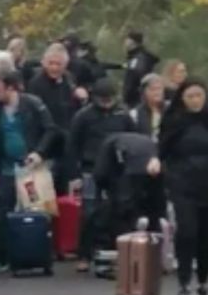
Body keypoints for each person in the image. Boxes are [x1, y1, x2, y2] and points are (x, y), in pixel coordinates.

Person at [0, 70, 58, 275]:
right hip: (5, 166)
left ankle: (41, 255)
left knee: (38, 209)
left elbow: (51, 129)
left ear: (11, 88)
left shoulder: (33, 104)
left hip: (31, 167)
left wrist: (40, 152)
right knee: (2, 210)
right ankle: (0, 257)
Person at [159, 80, 208, 295]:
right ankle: (184, 284)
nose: (196, 101)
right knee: (187, 232)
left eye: (199, 95)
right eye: (190, 96)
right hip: (183, 183)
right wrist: (160, 166)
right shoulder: (174, 119)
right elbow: (162, 149)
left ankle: (203, 283)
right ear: (182, 99)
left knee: (205, 236)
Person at [67, 78, 136, 271]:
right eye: (102, 99)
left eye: (109, 98)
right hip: (91, 168)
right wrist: (74, 175)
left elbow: (134, 140)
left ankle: (117, 252)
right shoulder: (83, 116)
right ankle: (84, 254)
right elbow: (72, 146)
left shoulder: (124, 116)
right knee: (89, 212)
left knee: (120, 211)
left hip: (118, 169)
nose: (106, 102)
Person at [27, 43, 87, 192]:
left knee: (64, 193)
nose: (54, 68)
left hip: (66, 145)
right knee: (42, 195)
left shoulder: (69, 79)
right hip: (44, 145)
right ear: (43, 62)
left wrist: (82, 98)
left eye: (58, 64)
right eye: (51, 63)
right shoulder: (36, 84)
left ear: (65, 65)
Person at [93, 132, 165, 240]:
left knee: (124, 209)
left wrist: (104, 189)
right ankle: (153, 242)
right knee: (154, 208)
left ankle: (124, 243)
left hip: (133, 168)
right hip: (155, 165)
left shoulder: (109, 142)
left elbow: (100, 173)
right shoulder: (142, 139)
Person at [123, 31, 160, 108]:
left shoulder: (138, 59)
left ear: (132, 42)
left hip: (136, 100)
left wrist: (127, 95)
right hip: (138, 98)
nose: (125, 42)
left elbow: (135, 77)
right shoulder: (136, 57)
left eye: (127, 39)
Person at [131, 74, 167, 140]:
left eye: (159, 88)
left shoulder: (171, 110)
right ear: (144, 92)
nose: (157, 92)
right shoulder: (135, 114)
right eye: (153, 89)